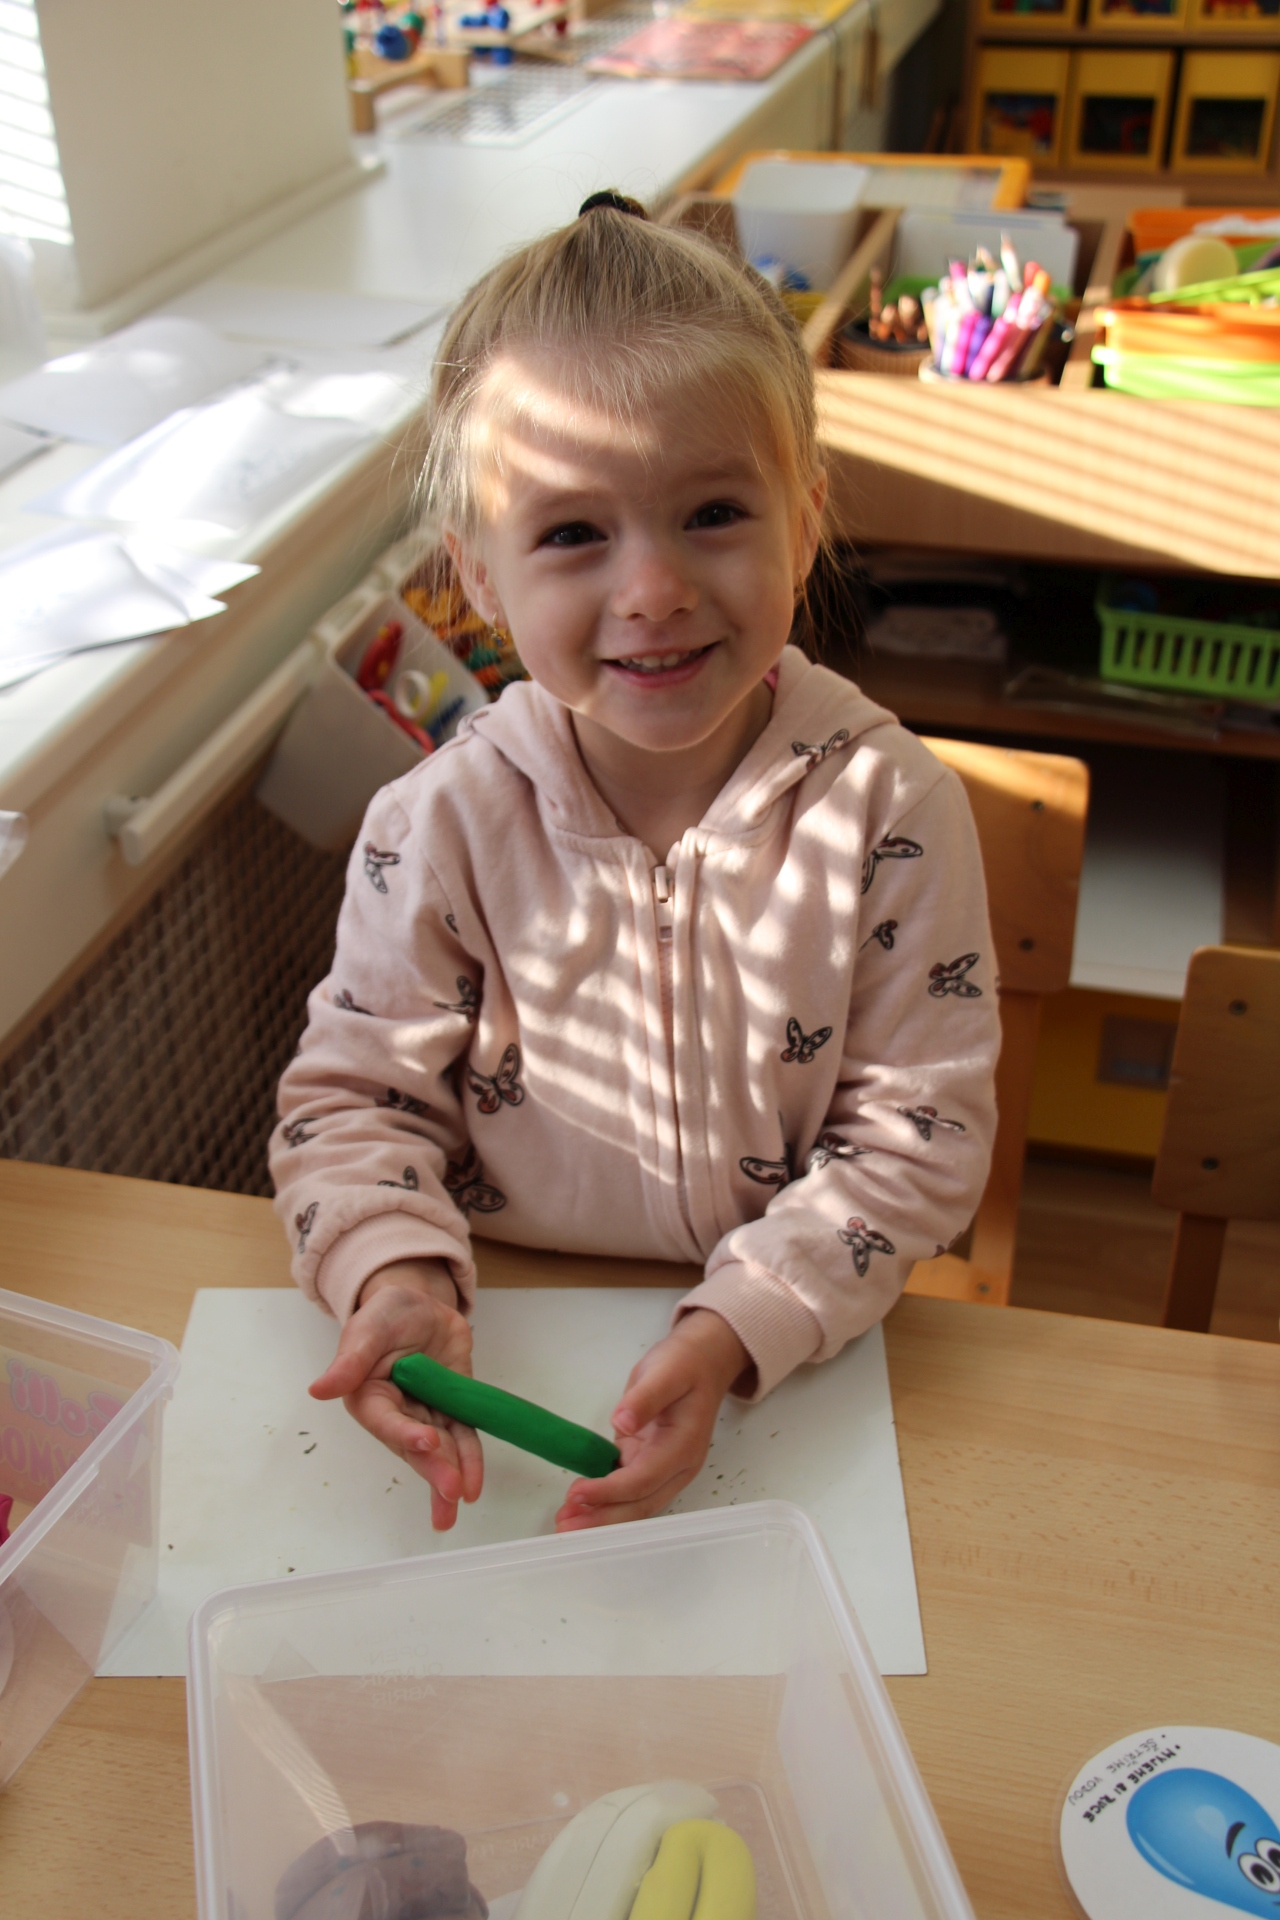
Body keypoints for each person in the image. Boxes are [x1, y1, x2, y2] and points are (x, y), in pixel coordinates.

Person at [270, 190, 1000, 1536]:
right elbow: (354, 1105)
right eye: (571, 534)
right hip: (510, 1329)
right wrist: (393, 1277)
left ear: (805, 519)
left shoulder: (893, 807)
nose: (653, 590)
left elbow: (920, 1140)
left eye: (713, 511)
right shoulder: (432, 827)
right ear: (476, 576)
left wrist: (735, 1329)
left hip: (793, 1364)